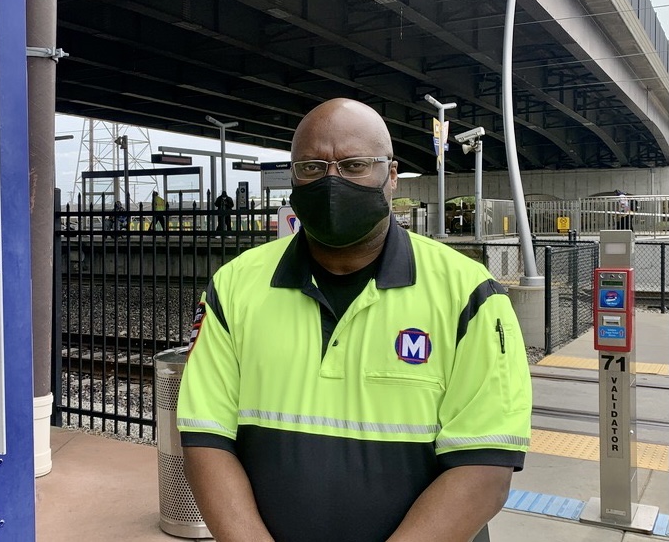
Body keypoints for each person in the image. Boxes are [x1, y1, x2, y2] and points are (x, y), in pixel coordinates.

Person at [177, 98, 532, 542]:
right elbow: (206, 439)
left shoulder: (469, 295)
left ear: (393, 176)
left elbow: (485, 468)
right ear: (293, 176)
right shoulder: (233, 288)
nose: (331, 181)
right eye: (310, 167)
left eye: (354, 164)